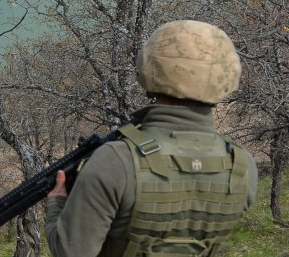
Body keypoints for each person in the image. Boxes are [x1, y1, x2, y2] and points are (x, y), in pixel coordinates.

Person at [45, 20, 257, 257]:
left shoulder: (116, 161)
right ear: (226, 76)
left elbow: (71, 252)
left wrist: (56, 204)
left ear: (148, 69)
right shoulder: (242, 165)